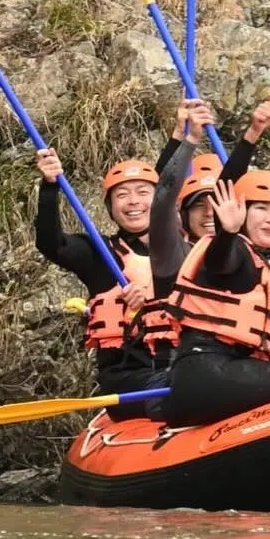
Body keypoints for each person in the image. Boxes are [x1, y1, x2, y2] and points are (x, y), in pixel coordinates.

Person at [144, 161, 270, 426]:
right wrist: (228, 232)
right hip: (205, 373)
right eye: (261, 208)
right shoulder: (231, 250)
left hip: (237, 370)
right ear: (241, 211)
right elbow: (220, 259)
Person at [33, 150, 162, 394]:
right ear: (111, 208)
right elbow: (52, 244)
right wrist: (49, 187)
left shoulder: (188, 251)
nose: (133, 201)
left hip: (182, 365)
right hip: (129, 376)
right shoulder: (101, 253)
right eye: (122, 195)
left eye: (143, 192)